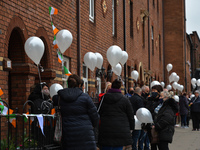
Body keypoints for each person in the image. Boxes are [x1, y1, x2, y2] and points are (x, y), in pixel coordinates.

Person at [53, 74, 99, 150]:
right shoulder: (85, 97)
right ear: (79, 85)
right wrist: (92, 126)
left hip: (68, 134)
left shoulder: (59, 98)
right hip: (85, 133)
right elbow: (95, 116)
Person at [98, 79, 134, 150]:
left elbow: (99, 112)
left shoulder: (104, 98)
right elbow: (131, 115)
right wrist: (131, 128)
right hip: (120, 130)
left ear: (111, 87)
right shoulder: (125, 99)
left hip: (105, 129)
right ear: (120, 88)